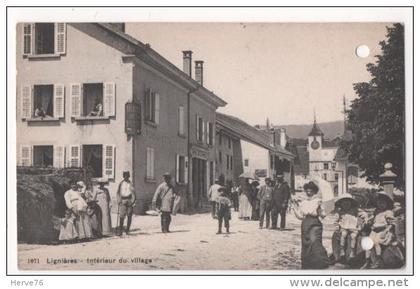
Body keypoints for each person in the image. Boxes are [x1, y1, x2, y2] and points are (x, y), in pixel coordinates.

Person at [290, 181, 329, 269]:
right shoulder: (303, 203)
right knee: (306, 244)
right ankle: (308, 264)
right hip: (305, 224)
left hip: (315, 223)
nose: (308, 193)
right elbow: (300, 216)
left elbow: (323, 215)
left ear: (314, 192)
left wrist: (319, 209)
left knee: (315, 242)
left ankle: (321, 262)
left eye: (310, 191)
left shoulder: (318, 201)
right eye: (307, 191)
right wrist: (294, 209)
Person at [361, 191, 395, 269]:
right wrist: (368, 221)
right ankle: (367, 261)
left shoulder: (388, 212)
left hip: (382, 231)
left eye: (383, 203)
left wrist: (386, 230)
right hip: (374, 231)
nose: (381, 205)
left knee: (376, 242)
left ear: (387, 204)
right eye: (379, 203)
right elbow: (373, 219)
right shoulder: (377, 211)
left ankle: (378, 260)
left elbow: (391, 223)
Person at [334, 194, 359, 259]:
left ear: (351, 203)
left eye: (348, 203)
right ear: (341, 204)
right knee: (343, 235)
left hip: (353, 227)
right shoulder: (340, 212)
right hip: (344, 227)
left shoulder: (354, 210)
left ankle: (352, 251)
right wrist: (337, 226)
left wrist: (363, 218)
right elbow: (336, 220)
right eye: (344, 203)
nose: (346, 205)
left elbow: (361, 215)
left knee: (354, 236)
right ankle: (342, 250)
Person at [116, 171, 136, 236]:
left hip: (129, 200)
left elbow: (133, 192)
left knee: (129, 216)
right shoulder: (121, 183)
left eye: (127, 175)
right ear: (123, 176)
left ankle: (127, 230)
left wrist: (133, 201)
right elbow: (118, 193)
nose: (126, 176)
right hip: (123, 200)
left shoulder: (131, 183)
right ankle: (120, 231)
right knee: (121, 216)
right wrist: (119, 200)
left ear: (129, 176)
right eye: (125, 175)